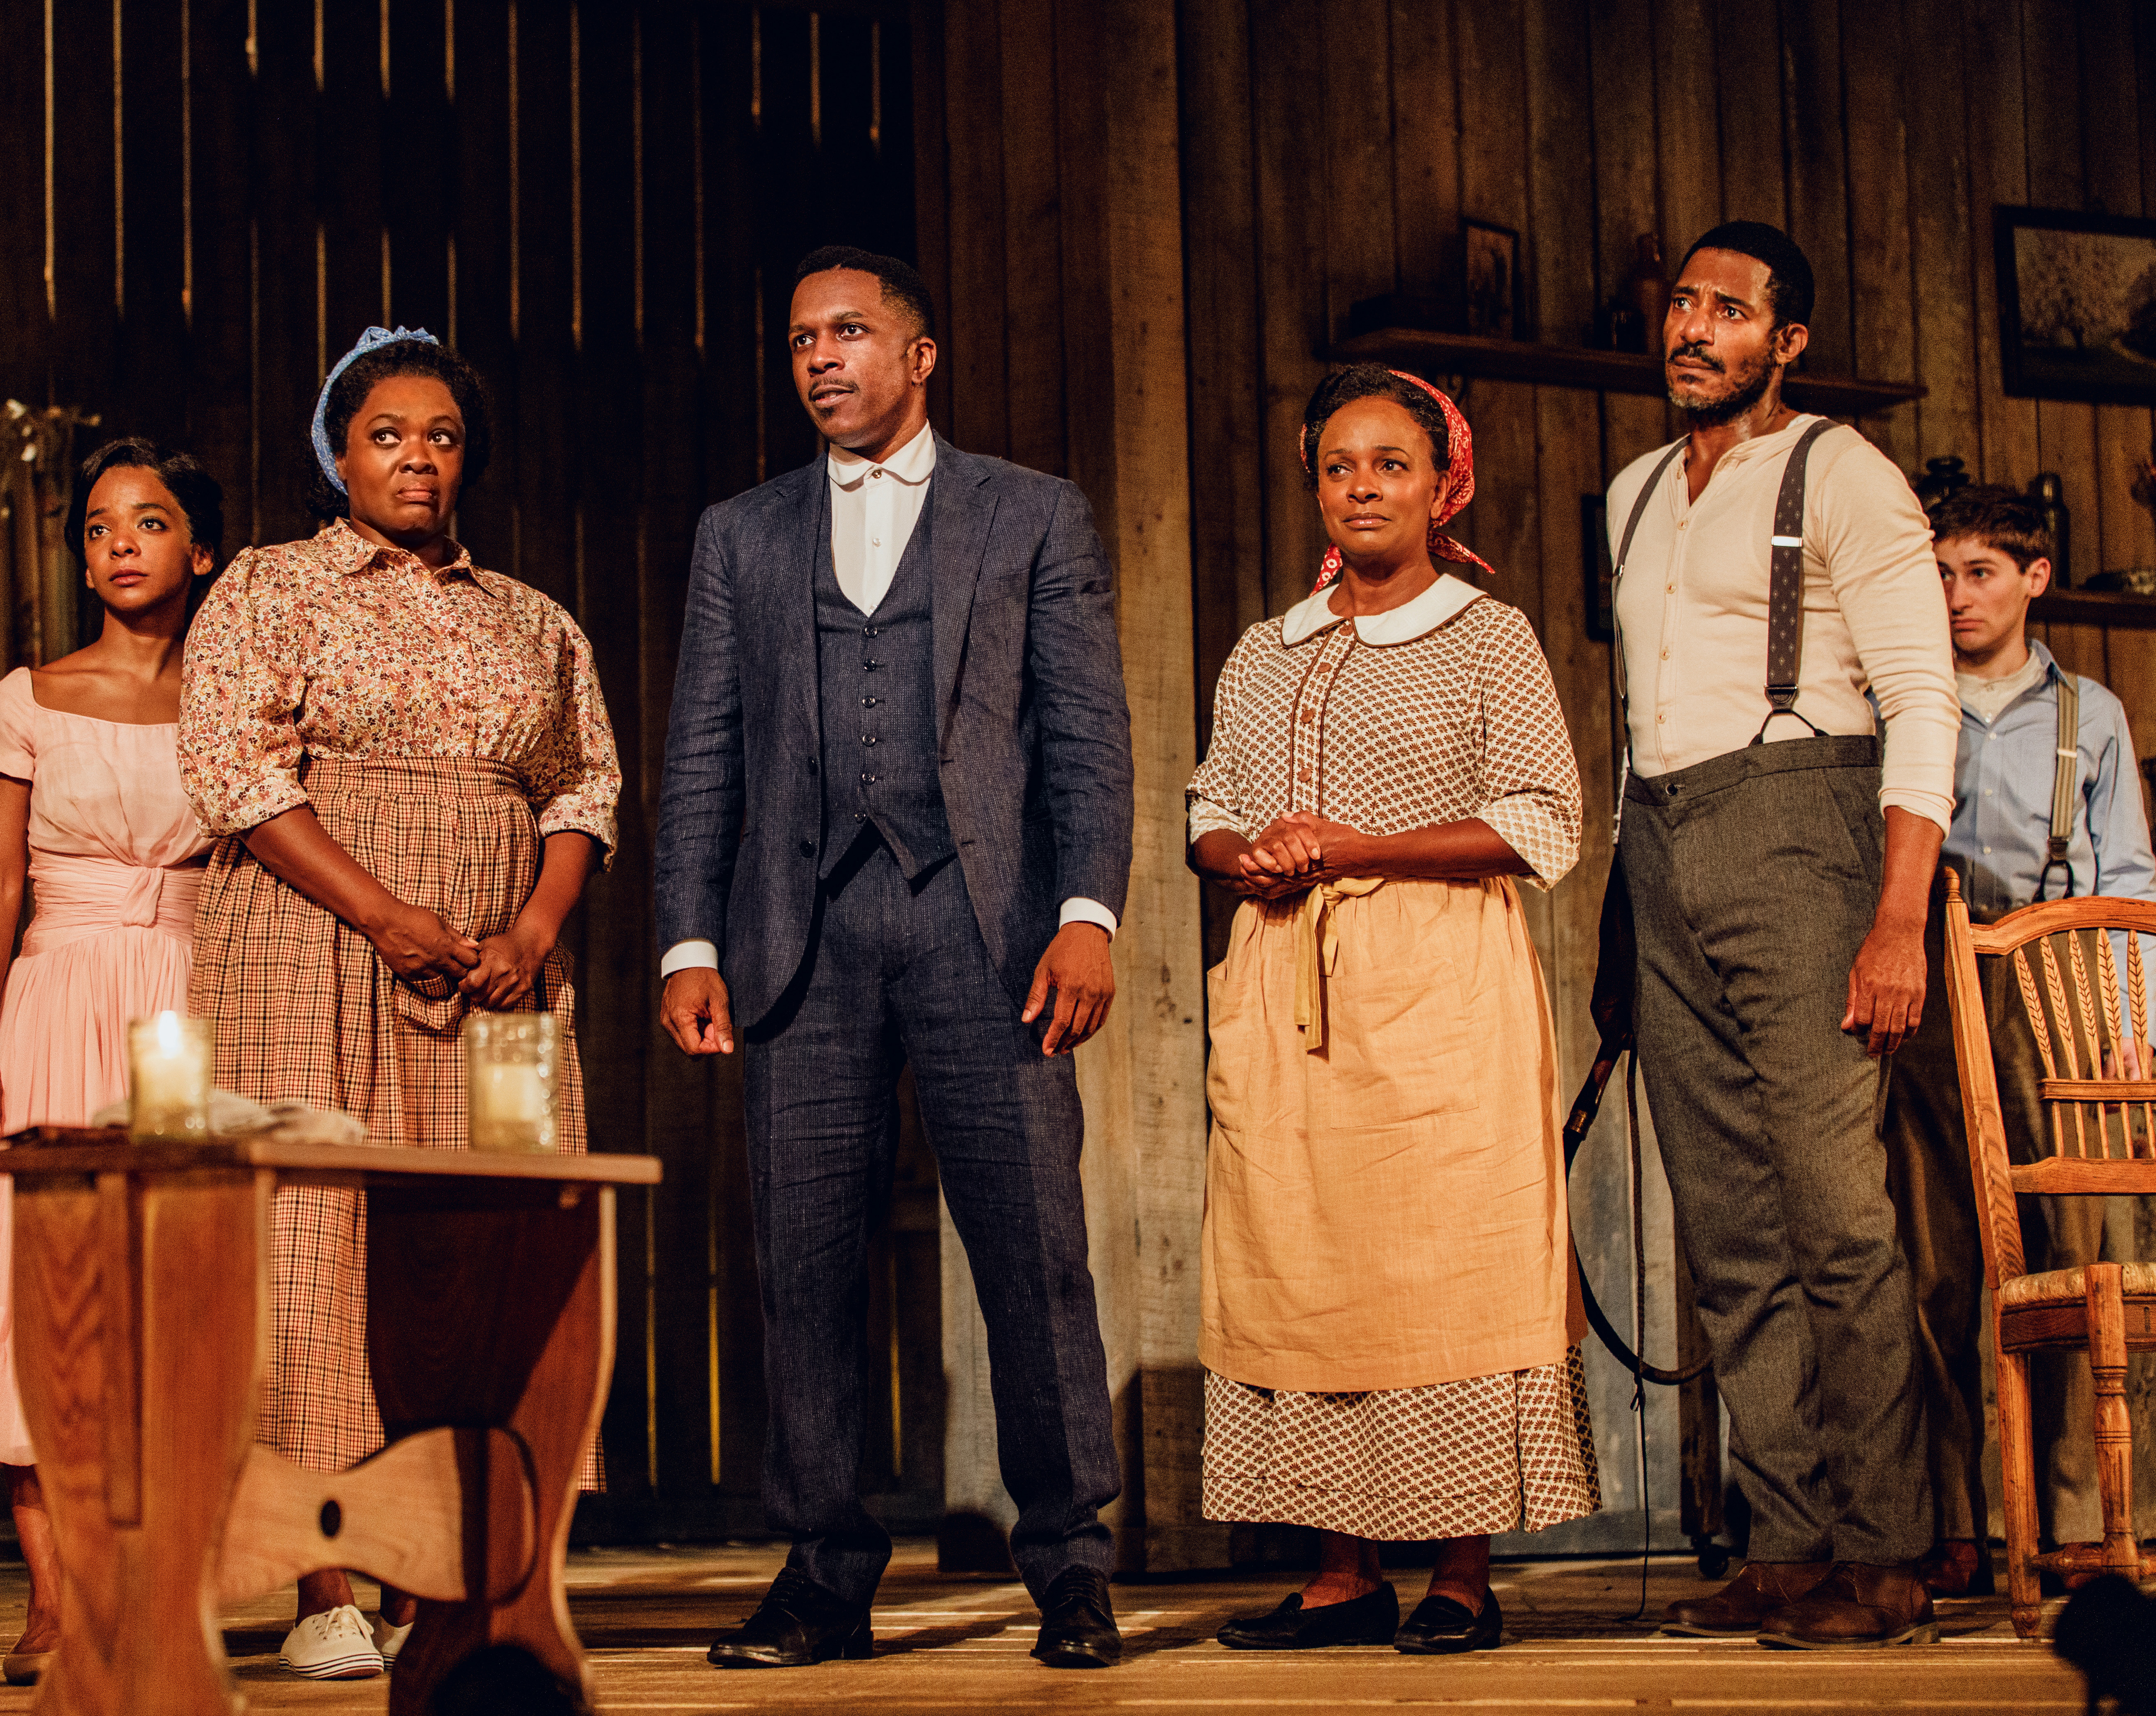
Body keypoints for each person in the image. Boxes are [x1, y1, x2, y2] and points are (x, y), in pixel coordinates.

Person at [655, 247, 1133, 1671]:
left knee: (1032, 1251)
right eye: (799, 337)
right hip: (798, 938)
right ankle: (822, 1572)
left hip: (985, 928)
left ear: (920, 356)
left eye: (849, 331)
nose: (818, 357)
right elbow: (700, 755)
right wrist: (689, 938)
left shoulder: (1031, 515)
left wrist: (1087, 914)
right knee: (801, 1262)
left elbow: (1085, 737)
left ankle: (1069, 1564)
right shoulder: (738, 535)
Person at [178, 327, 620, 1681]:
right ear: (338, 453)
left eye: (440, 435)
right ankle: (322, 1580)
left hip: (491, 951)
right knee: (312, 1239)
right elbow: (235, 768)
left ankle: (472, 1567)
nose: (417, 457)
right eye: (386, 434)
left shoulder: (532, 618)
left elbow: (583, 786)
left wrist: (534, 929)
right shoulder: (268, 586)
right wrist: (381, 913)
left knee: (485, 1241)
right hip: (312, 933)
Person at [1186, 365, 1597, 1656]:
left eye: (1389, 465)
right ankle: (1338, 1569)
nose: (1361, 486)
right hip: (1285, 983)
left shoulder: (1489, 634)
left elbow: (1543, 818)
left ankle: (1462, 1570)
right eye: (1337, 466)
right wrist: (1239, 854)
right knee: (1304, 1262)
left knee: (1446, 1260)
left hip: (1437, 983)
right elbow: (1207, 806)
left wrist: (1363, 842)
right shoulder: (1268, 648)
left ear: (1441, 483)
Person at [1606, 221, 1960, 1648]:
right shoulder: (1630, 492)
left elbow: (1920, 697)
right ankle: (1785, 1535)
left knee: (1834, 1210)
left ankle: (1884, 1550)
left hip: (1807, 825)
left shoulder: (1843, 472)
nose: (1693, 329)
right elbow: (1643, 712)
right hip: (1661, 837)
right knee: (1729, 1225)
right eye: (1681, 304)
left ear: (1786, 342)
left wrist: (1896, 919)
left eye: (1728, 310)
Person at [0, 437, 224, 1686]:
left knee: (175, 1291)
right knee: (42, 1289)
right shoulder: (27, 695)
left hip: (190, 1006)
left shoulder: (237, 699)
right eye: (95, 525)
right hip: (56, 992)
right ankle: (50, 1597)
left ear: (202, 548)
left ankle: (169, 1579)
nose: (118, 543)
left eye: (147, 520)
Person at [1885, 485, 2156, 1594]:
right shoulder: (1904, 705)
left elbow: (2128, 871)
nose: (1956, 596)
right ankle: (1958, 1513)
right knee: (1937, 1258)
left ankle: (2070, 1516)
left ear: (2032, 577)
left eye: (1979, 572)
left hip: (2055, 994)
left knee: (2067, 1255)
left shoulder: (2085, 713)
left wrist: (2134, 1020)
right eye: (1940, 575)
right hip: (1935, 995)